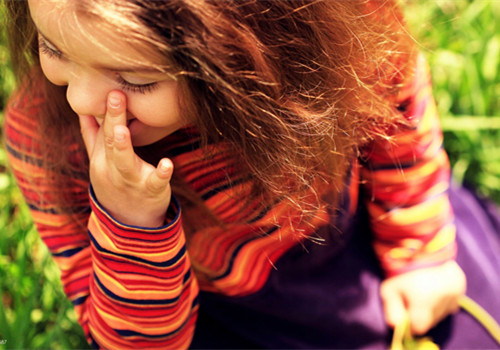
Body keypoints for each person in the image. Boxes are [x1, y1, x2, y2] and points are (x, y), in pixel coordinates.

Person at [3, 0, 500, 348]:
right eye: (54, 49)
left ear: (241, 47)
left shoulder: (337, 34)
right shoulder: (50, 141)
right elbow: (136, 344)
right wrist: (131, 222)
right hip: (223, 313)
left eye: (136, 79)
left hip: (365, 224)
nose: (80, 100)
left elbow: (396, 117)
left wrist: (420, 254)